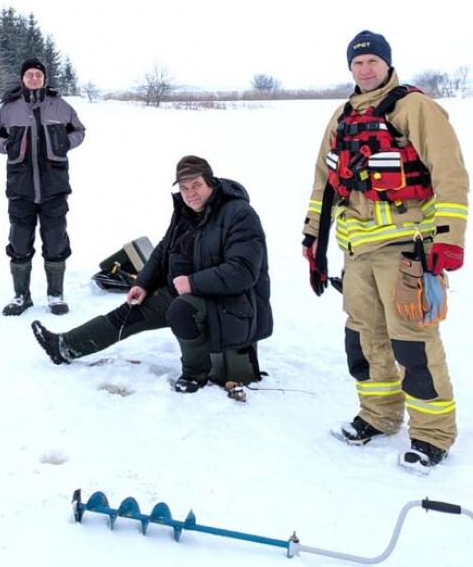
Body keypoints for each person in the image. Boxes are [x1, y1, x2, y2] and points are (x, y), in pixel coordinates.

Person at [302, 31, 468, 473]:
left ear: (387, 63)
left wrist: (449, 240)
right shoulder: (340, 117)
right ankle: (379, 415)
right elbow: (324, 184)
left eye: (372, 61)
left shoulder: (415, 107)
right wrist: (312, 244)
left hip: (406, 249)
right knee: (363, 339)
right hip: (356, 252)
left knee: (413, 343)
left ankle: (432, 434)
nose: (365, 69)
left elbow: (450, 173)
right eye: (357, 63)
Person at [32, 156, 272, 392]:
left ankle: (195, 374)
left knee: (182, 310)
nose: (190, 193)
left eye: (196, 184)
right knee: (129, 312)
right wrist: (143, 283)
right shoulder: (185, 212)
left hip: (231, 303)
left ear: (211, 182)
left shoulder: (239, 214)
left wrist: (192, 282)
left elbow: (243, 271)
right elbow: (164, 249)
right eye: (184, 187)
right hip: (186, 292)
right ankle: (64, 347)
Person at [0, 58, 86, 316]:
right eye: (29, 74)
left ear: (44, 79)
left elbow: (79, 131)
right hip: (20, 189)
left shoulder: (60, 106)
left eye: (38, 75)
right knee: (19, 242)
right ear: (22, 79)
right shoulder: (9, 109)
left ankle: (55, 295)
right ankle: (21, 296)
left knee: (55, 241)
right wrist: (7, 146)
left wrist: (64, 142)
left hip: (55, 188)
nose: (33, 78)